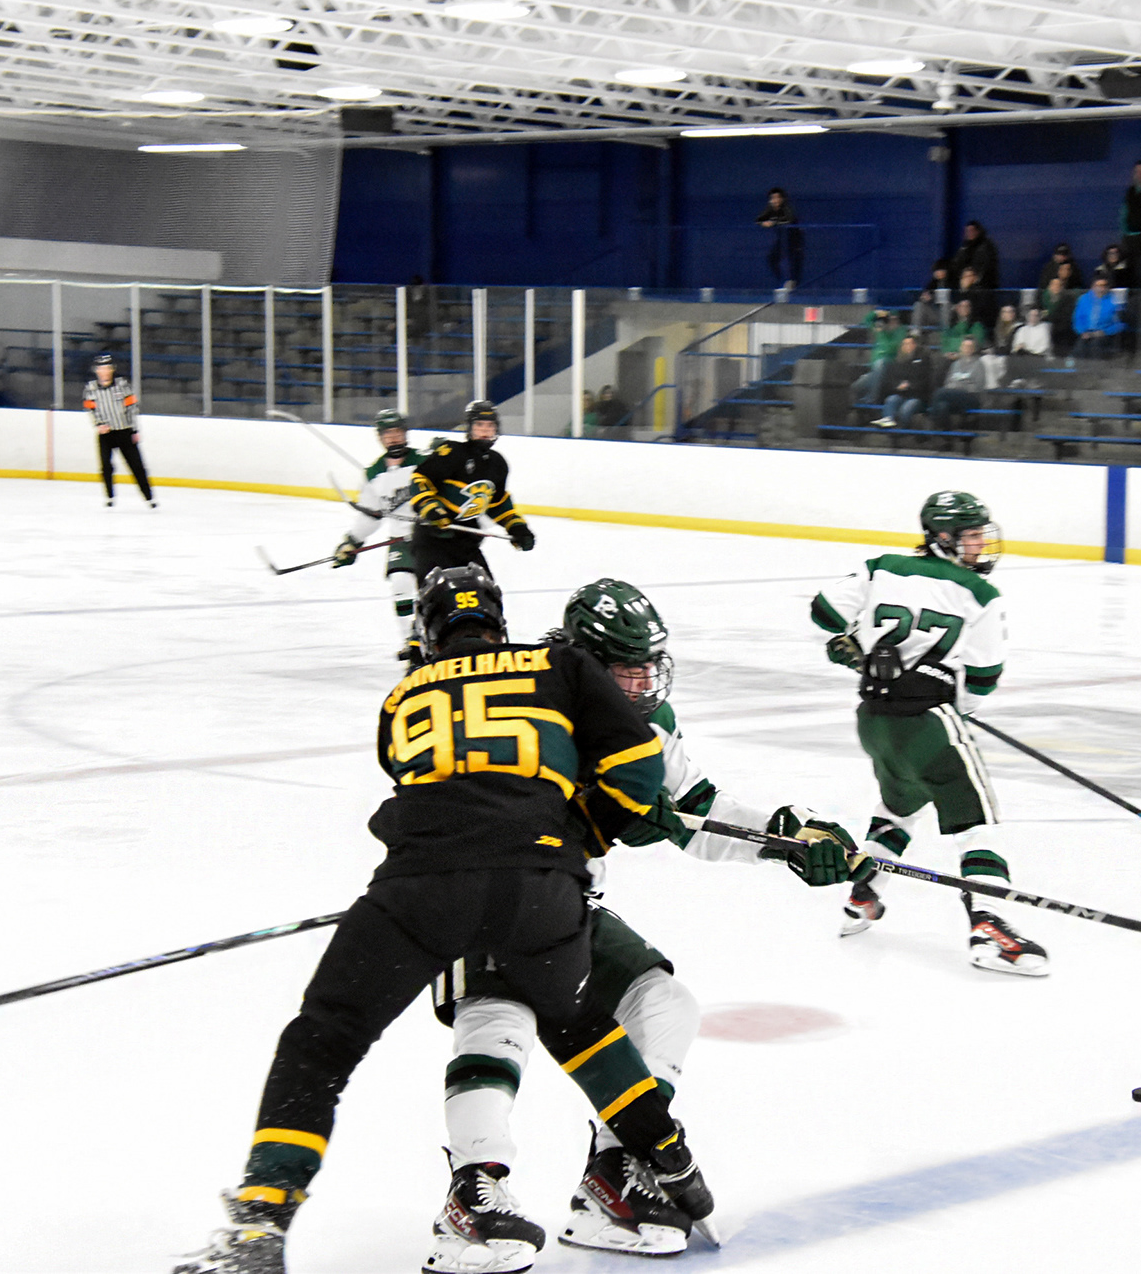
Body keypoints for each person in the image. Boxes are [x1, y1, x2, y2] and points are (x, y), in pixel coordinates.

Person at [175, 565, 708, 1274]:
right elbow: (638, 770)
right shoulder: (559, 668)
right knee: (578, 1025)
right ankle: (662, 1159)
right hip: (542, 889)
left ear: (427, 635)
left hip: (420, 889)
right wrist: (571, 842)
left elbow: (414, 781)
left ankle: (263, 1218)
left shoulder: (403, 694)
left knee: (323, 1042)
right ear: (503, 622)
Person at [428, 580, 862, 1265]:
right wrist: (591, 804)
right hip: (480, 895)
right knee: (499, 1014)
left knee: (662, 1002)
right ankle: (472, 1192)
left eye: (647, 667)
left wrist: (785, 838)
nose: (642, 683)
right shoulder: (524, 695)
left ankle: (616, 1173)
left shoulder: (649, 723)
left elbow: (697, 810)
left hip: (568, 907)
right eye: (624, 670)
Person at [809, 491, 1048, 976]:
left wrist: (856, 646)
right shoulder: (979, 593)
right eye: (972, 535)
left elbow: (823, 612)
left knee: (899, 805)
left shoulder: (881, 567)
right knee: (975, 821)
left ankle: (863, 896)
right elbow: (982, 677)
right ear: (942, 537)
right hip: (930, 722)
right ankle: (990, 927)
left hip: (874, 719)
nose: (980, 544)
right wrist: (957, 711)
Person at [408, 401, 537, 606]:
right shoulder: (452, 452)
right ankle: (421, 627)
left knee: (489, 598)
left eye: (490, 426)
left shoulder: (498, 463)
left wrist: (517, 527)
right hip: (432, 541)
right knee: (434, 600)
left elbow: (497, 503)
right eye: (479, 425)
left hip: (466, 543)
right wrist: (431, 509)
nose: (485, 431)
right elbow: (420, 479)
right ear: (469, 428)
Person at [331, 410, 429, 665]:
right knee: (400, 583)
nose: (394, 438)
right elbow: (371, 515)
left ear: (405, 434)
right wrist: (352, 542)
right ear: (380, 438)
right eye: (388, 434)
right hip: (399, 539)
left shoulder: (424, 461)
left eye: (397, 432)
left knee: (432, 588)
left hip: (430, 536)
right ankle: (410, 640)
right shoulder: (374, 473)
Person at [83, 352, 155, 509]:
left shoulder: (122, 385)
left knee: (136, 466)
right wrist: (98, 424)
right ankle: (109, 496)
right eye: (101, 368)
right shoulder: (91, 388)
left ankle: (149, 497)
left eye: (107, 368)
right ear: (96, 370)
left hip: (124, 431)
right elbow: (90, 409)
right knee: (106, 466)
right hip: (106, 434)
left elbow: (132, 408)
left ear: (112, 369)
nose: (104, 371)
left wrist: (134, 429)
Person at [875, 335, 932, 427]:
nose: (906, 346)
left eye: (909, 344)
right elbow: (891, 380)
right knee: (891, 400)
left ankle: (903, 429)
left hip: (917, 396)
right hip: (900, 394)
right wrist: (897, 386)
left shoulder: (924, 361)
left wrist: (910, 385)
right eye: (904, 344)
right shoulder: (897, 362)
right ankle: (888, 420)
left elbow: (925, 381)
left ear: (915, 345)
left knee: (906, 409)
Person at [851, 309, 905, 405]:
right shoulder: (881, 328)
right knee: (856, 386)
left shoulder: (900, 330)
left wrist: (886, 333)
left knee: (881, 363)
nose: (892, 322)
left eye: (894, 319)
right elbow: (866, 321)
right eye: (890, 319)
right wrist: (876, 313)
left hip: (890, 367)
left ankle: (872, 399)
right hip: (875, 369)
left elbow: (892, 348)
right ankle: (862, 409)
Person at [931, 338, 987, 425]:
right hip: (954, 396)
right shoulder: (955, 364)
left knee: (939, 393)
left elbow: (978, 387)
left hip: (971, 396)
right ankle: (947, 430)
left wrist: (959, 387)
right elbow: (948, 382)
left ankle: (931, 421)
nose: (967, 348)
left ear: (973, 349)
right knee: (942, 406)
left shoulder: (979, 364)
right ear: (961, 348)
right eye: (965, 346)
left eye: (969, 346)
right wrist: (954, 388)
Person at [756, 187, 803, 290]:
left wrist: (774, 223)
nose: (775, 200)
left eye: (777, 198)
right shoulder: (770, 209)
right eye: (772, 198)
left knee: (794, 261)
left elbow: (789, 220)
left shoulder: (787, 209)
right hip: (782, 239)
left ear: (782, 199)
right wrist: (763, 223)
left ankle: (792, 282)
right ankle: (782, 281)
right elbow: (759, 219)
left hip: (794, 239)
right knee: (772, 258)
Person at [1071, 277, 1125, 360]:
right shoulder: (1083, 299)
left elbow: (1120, 323)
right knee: (1080, 347)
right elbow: (1078, 318)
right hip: (1086, 332)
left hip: (1105, 333)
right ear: (1092, 287)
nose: (1101, 288)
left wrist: (1105, 332)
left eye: (1104, 285)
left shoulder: (1115, 300)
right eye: (1098, 285)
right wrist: (1082, 331)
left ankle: (1096, 366)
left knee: (1095, 345)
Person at [949, 221, 1000, 290]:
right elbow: (956, 264)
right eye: (967, 231)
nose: (969, 233)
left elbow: (987, 266)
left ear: (978, 231)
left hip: (985, 287)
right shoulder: (964, 248)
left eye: (972, 230)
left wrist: (976, 277)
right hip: (965, 287)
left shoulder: (986, 247)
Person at [1041, 275, 1078, 357]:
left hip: (1062, 329)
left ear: (1062, 287)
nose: (1056, 287)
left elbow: (1066, 317)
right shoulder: (1043, 298)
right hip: (1046, 325)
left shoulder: (1068, 299)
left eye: (1058, 285)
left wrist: (1049, 316)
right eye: (1053, 285)